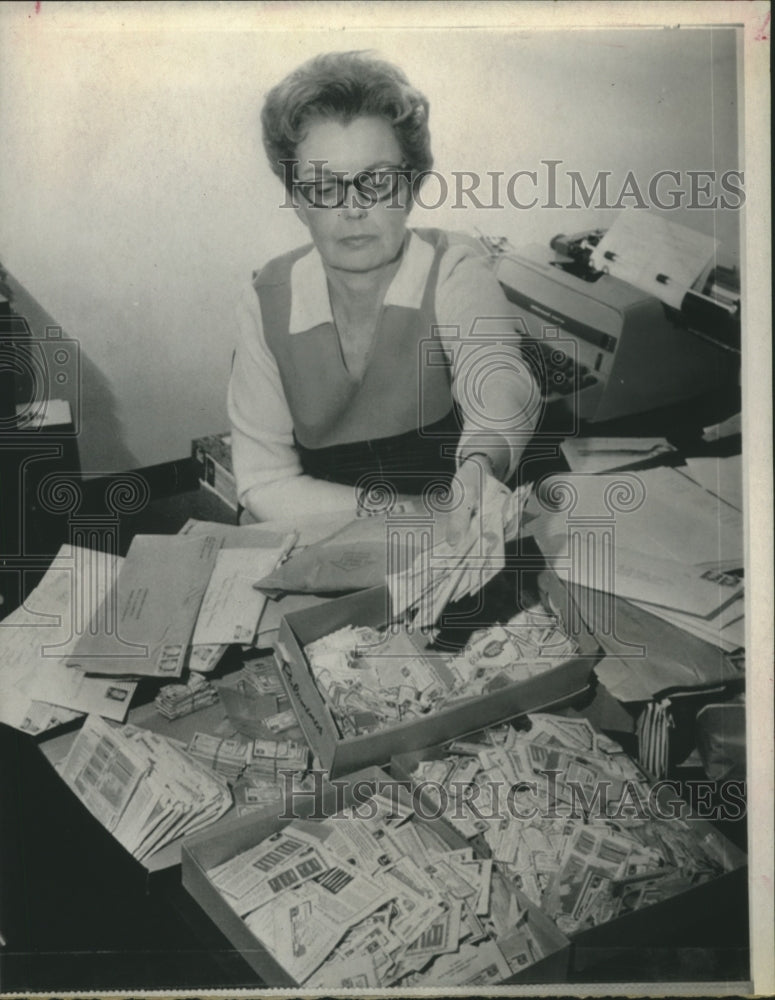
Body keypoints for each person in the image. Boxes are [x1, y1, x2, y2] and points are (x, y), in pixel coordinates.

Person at [228, 51, 540, 544]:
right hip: (338, 542)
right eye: (326, 186)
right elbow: (264, 481)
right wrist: (418, 516)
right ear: (295, 200)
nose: (353, 209)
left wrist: (482, 461)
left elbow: (500, 379)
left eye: (376, 182)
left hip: (462, 545)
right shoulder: (266, 298)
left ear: (412, 185)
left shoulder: (455, 268)